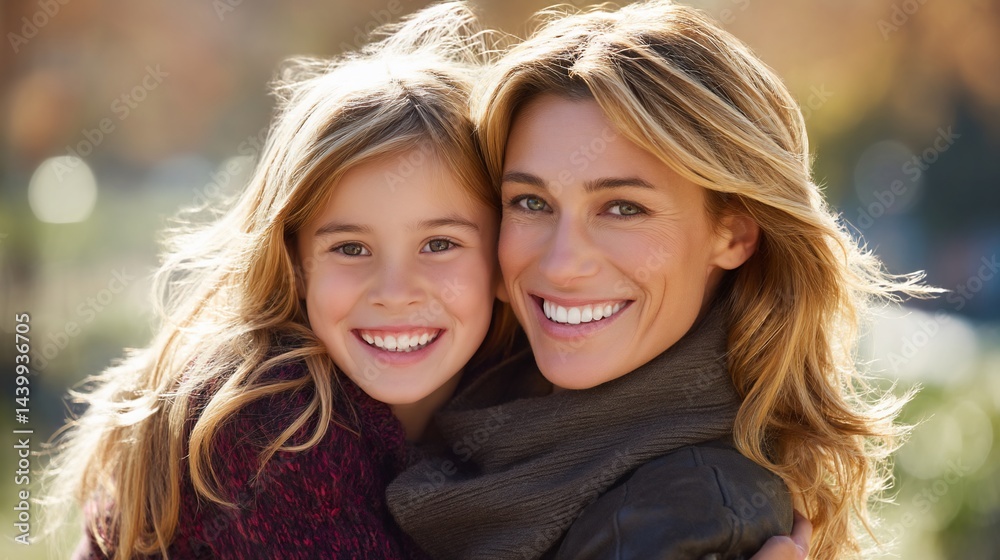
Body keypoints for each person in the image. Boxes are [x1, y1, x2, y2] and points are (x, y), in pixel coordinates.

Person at [387, 2, 930, 559]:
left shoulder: (692, 516)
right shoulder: (467, 423)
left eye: (623, 208)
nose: (560, 263)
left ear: (734, 234)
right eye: (531, 202)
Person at [43, 4, 519, 558]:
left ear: (502, 252)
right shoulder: (272, 431)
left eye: (439, 244)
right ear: (293, 263)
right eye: (350, 248)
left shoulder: (503, 391)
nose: (395, 290)